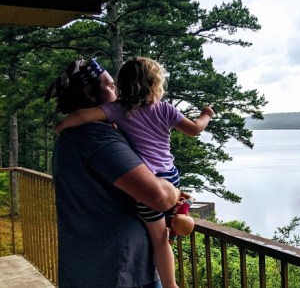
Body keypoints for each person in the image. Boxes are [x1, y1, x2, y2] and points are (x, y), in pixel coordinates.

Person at [53, 57, 215, 288]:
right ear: (90, 93)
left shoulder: (78, 133)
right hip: (122, 269)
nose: (116, 90)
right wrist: (172, 190)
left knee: (163, 230)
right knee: (162, 233)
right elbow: (158, 196)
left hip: (95, 263)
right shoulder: (98, 137)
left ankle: (177, 216)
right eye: (110, 86)